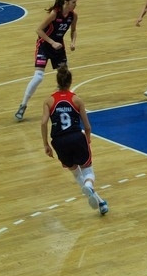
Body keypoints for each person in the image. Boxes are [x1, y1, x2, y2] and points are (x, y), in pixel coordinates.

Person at [41, 65, 108, 216]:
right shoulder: (77, 100)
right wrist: (88, 139)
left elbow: (43, 123)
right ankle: (89, 186)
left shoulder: (49, 101)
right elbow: (88, 126)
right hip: (76, 137)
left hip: (58, 141)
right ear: (70, 82)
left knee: (77, 174)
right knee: (88, 173)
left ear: (57, 81)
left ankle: (100, 203)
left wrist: (46, 144)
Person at [15, 0, 78, 121]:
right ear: (66, 2)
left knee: (64, 75)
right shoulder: (54, 13)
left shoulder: (73, 15)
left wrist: (73, 42)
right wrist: (52, 42)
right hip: (44, 45)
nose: (75, 4)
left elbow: (73, 30)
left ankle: (63, 103)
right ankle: (23, 105)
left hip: (58, 47)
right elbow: (38, 30)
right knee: (38, 77)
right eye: (73, 2)